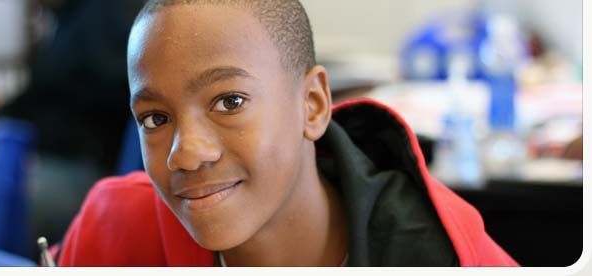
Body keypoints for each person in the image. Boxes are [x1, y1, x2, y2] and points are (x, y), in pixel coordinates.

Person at [56, 0, 518, 266]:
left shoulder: (447, 256)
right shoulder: (113, 232)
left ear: (313, 104)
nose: (187, 154)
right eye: (156, 119)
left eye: (229, 102)